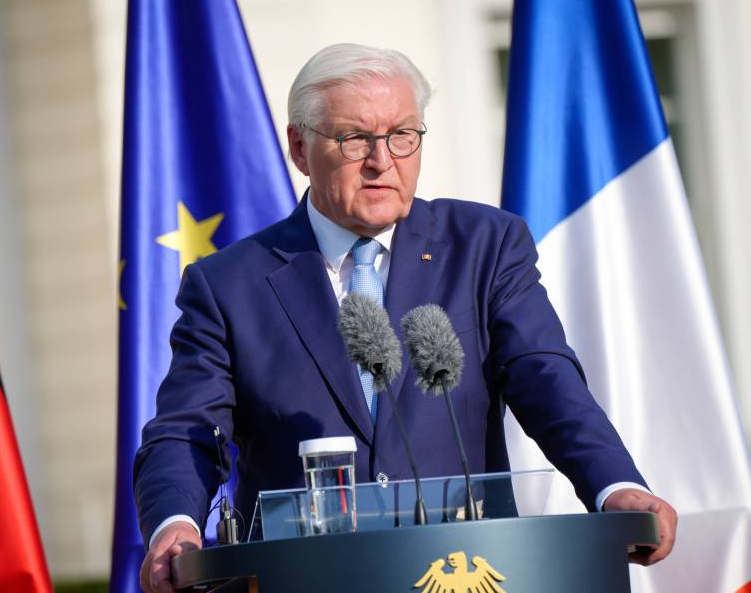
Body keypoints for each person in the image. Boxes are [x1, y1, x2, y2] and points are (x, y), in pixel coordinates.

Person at [135, 43, 677, 593]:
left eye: (402, 135)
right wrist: (175, 525)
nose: (382, 160)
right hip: (304, 577)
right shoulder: (228, 283)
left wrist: (614, 486)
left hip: (466, 570)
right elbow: (186, 431)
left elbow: (547, 379)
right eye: (354, 139)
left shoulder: (485, 246)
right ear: (300, 148)